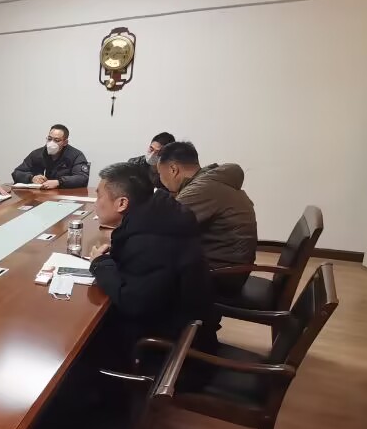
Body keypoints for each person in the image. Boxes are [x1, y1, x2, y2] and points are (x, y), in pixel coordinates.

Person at [87, 162, 217, 366]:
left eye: (99, 196)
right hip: (178, 324)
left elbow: (132, 302)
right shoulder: (160, 215)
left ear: (122, 203)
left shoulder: (148, 242)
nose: (96, 203)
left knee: (80, 337)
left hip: (163, 348)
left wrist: (100, 263)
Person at [156, 141, 258, 295]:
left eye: (160, 173)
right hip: (232, 268)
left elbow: (161, 225)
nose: (160, 179)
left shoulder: (200, 189)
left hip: (222, 276)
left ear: (173, 169)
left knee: (146, 266)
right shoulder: (211, 181)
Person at [10, 124, 90, 189]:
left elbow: (82, 177)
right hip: (38, 196)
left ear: (65, 142)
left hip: (64, 196)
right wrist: (31, 178)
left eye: (57, 140)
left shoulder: (76, 155)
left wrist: (59, 182)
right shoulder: (37, 154)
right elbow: (16, 173)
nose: (51, 143)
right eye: (49, 139)